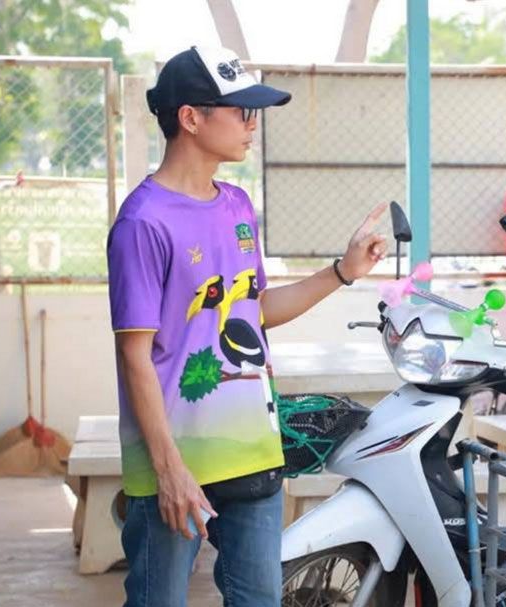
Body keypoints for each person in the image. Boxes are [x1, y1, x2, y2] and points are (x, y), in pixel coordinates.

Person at [107, 45, 387, 607]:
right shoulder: (142, 222)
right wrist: (169, 470)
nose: (252, 125)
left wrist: (342, 272)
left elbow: (252, 313)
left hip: (254, 454)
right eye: (242, 111)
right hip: (175, 466)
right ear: (191, 118)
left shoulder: (236, 205)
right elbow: (135, 356)